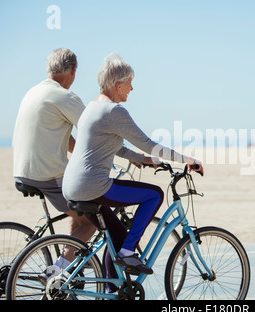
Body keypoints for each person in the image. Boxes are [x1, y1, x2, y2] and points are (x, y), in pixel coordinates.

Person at [62, 53, 203, 276]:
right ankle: (128, 252)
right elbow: (149, 144)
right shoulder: (114, 111)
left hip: (72, 185)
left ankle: (112, 287)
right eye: (129, 83)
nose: (132, 89)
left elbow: (110, 146)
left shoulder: (92, 107)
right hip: (93, 186)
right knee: (154, 195)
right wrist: (187, 159)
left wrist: (140, 159)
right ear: (118, 85)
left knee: (116, 237)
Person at [13, 48, 96, 272]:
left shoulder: (34, 91)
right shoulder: (64, 96)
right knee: (91, 219)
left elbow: (63, 135)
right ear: (73, 71)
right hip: (47, 175)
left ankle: (72, 256)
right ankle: (58, 270)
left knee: (77, 208)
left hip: (22, 170)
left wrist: (81, 154)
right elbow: (95, 128)